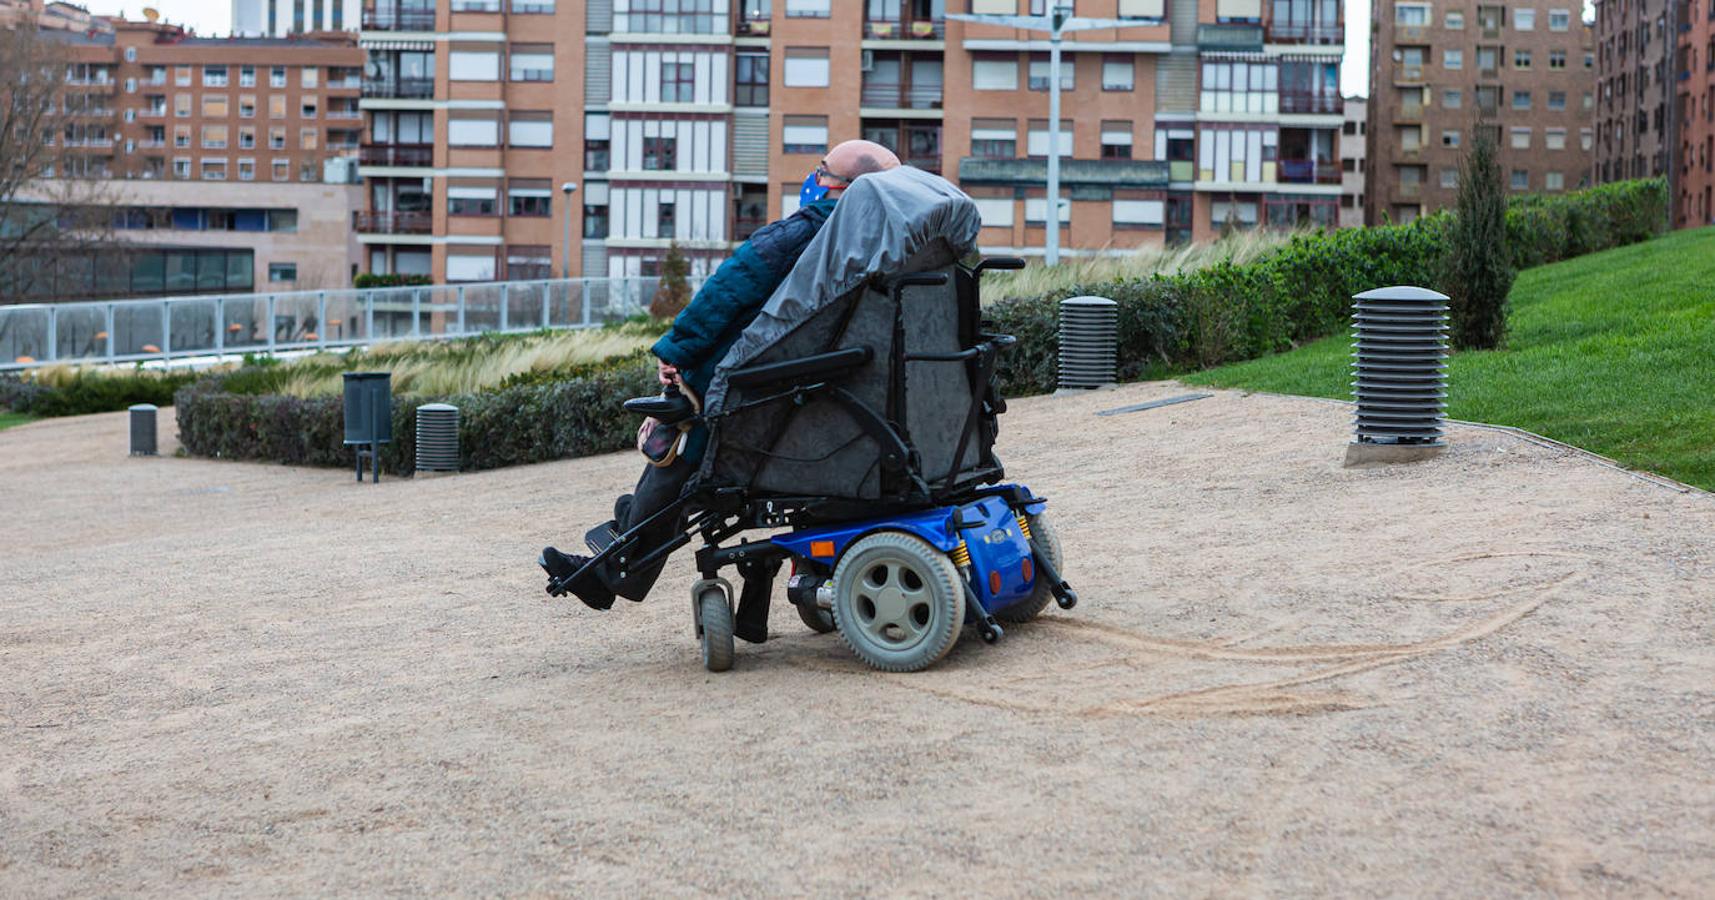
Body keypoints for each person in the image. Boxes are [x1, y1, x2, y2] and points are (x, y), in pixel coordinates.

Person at [540, 139, 902, 611]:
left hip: (767, 398)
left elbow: (725, 293)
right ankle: (631, 519)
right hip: (850, 396)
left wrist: (676, 353)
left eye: (821, 168)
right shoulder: (893, 243)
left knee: (684, 444)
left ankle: (612, 575)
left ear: (844, 187)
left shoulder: (799, 234)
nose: (813, 176)